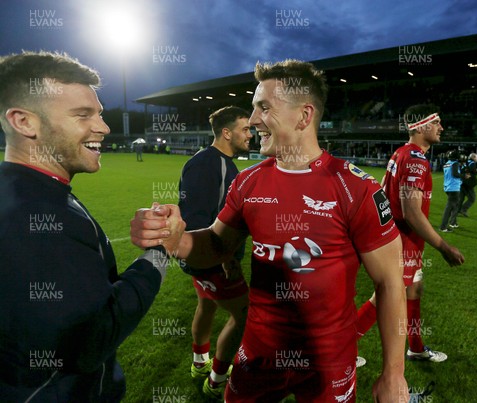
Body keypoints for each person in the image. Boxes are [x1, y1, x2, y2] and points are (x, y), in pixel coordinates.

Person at [131, 59, 410, 402]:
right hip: (259, 352)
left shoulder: (357, 188)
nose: (252, 120)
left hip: (330, 360)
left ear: (304, 116)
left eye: (264, 107)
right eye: (253, 108)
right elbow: (217, 245)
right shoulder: (248, 181)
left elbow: (390, 283)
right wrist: (176, 238)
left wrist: (394, 373)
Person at [0, 51, 179, 401]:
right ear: (24, 122)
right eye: (83, 115)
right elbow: (91, 338)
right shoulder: (35, 216)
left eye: (99, 113)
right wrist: (160, 251)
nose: (103, 127)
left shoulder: (27, 191)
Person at [356, 104, 464, 364]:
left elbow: (387, 195)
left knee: (414, 289)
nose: (442, 127)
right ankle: (340, 347)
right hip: (401, 242)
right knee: (384, 296)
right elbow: (412, 212)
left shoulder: (402, 153)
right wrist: (444, 247)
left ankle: (415, 348)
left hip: (401, 240)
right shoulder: (415, 158)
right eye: (436, 121)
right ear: (421, 126)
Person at [178, 106, 252, 399]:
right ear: (226, 132)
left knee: (207, 305)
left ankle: (199, 364)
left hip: (210, 258)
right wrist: (223, 258)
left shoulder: (223, 164)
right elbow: (196, 219)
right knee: (245, 315)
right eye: (245, 129)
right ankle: (217, 381)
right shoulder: (210, 164)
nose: (250, 134)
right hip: (213, 260)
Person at [440, 150, 462, 232]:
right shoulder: (455, 163)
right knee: (449, 207)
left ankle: (453, 222)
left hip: (447, 186)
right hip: (454, 187)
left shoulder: (447, 163)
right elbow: (455, 174)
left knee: (455, 205)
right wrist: (463, 176)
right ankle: (443, 226)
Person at [459, 153, 477, 217]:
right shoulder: (472, 163)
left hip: (462, 182)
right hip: (468, 183)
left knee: (461, 198)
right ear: (473, 157)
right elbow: (472, 170)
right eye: (476, 157)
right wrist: (476, 171)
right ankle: (463, 209)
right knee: (472, 198)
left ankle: (456, 210)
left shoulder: (465, 162)